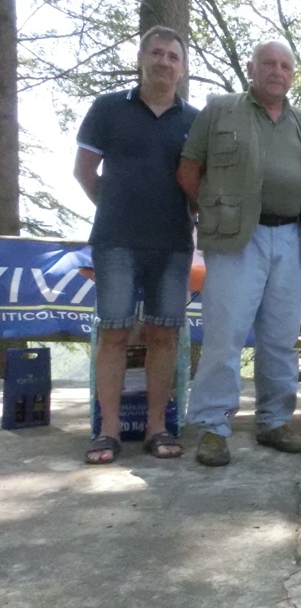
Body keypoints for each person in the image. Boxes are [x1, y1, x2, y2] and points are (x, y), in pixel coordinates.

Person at [177, 40, 301, 467]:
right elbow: (188, 171)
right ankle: (213, 427)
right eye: (269, 63)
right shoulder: (220, 110)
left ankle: (275, 421)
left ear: (293, 75)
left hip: (291, 238)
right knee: (225, 335)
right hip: (238, 239)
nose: (278, 71)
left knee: (281, 339)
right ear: (251, 68)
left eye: (286, 66)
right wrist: (217, 214)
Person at [74, 26, 198, 464]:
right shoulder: (107, 108)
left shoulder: (195, 120)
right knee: (113, 335)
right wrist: (117, 209)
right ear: (141, 58)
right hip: (116, 242)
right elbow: (84, 172)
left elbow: (200, 183)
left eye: (173, 57)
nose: (165, 62)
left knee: (165, 336)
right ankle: (106, 431)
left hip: (174, 244)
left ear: (182, 69)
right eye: (157, 53)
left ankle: (157, 428)